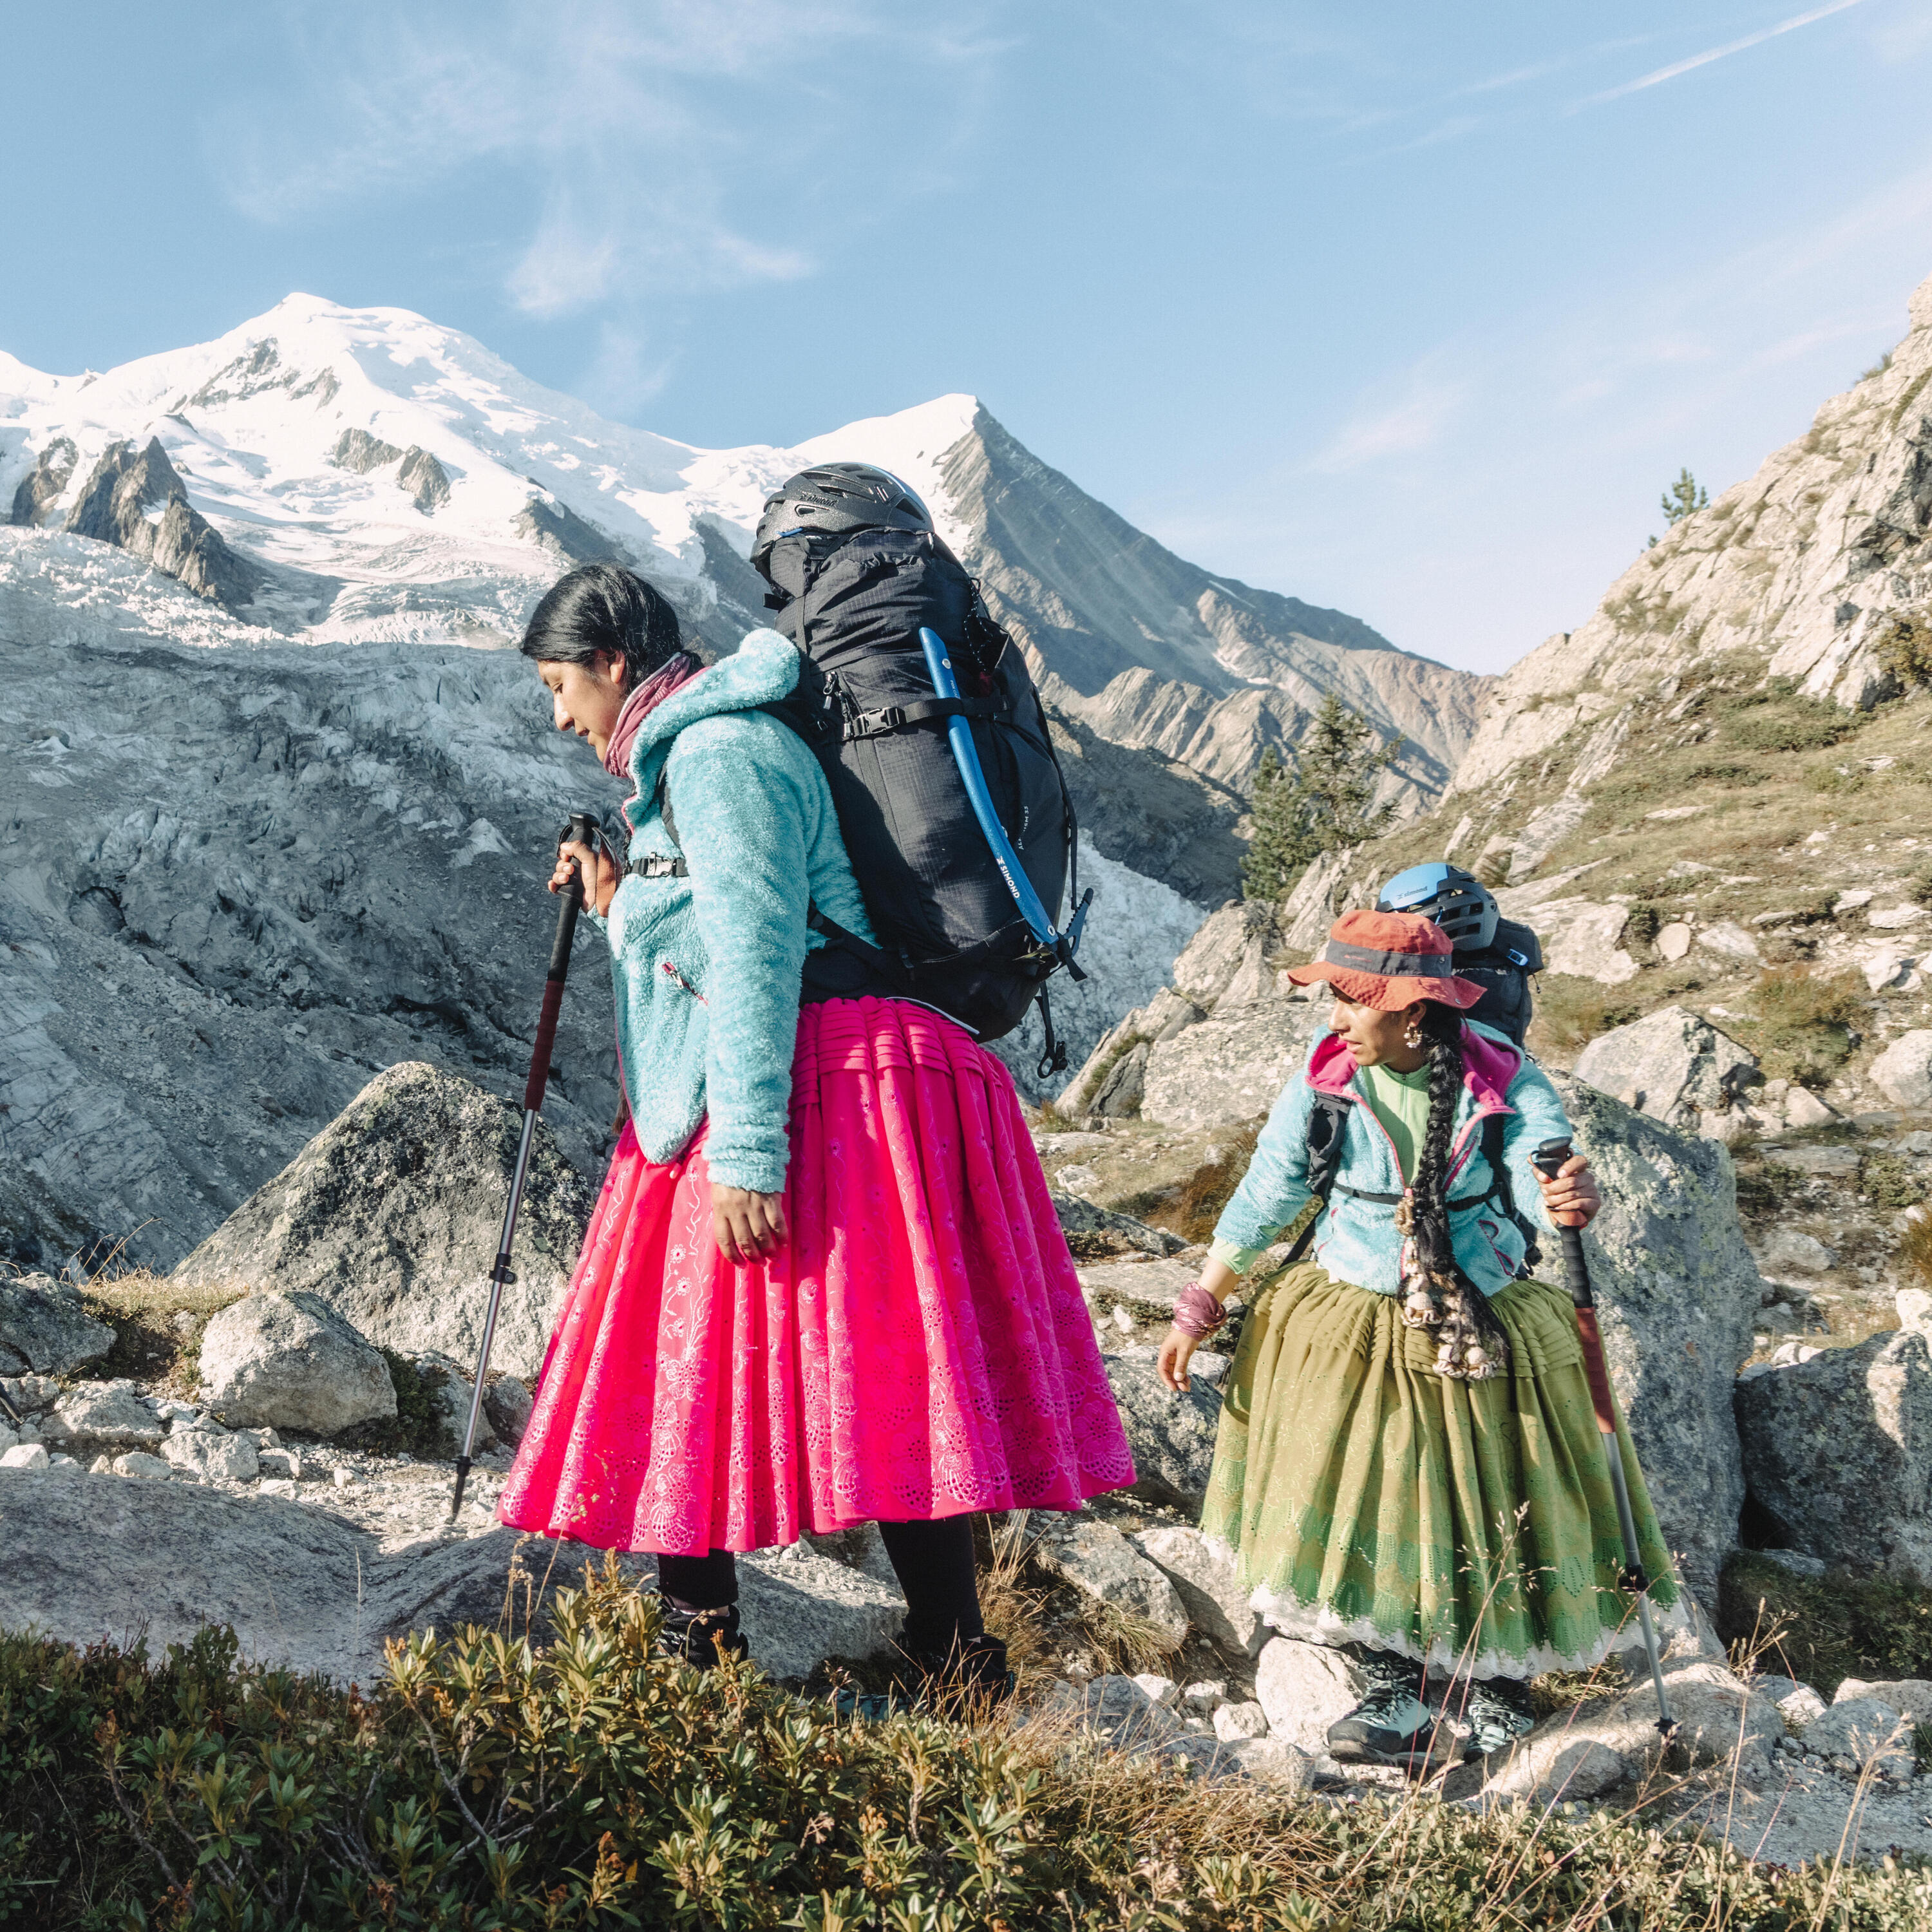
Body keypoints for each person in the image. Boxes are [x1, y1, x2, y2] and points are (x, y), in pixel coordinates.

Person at [496, 563, 1133, 1699]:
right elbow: (711, 936)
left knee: (680, 1357)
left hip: (820, 1076)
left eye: (559, 685)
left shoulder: (718, 754)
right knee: (866, 1359)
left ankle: (715, 1663)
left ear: (611, 663)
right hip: (832, 1066)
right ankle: (947, 1660)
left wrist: (745, 1152)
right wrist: (617, 902)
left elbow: (754, 950)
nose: (558, 715)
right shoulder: (704, 756)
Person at [1157, 909, 1678, 1768]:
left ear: (1410, 1012)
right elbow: (1267, 1196)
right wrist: (1199, 1306)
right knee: (1379, 1487)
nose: (1334, 1020)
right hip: (1358, 1303)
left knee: (1486, 1489)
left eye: (1349, 1002)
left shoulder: (1504, 1079)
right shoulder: (1323, 1081)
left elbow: (1537, 1167)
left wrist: (1566, 1192)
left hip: (1479, 1301)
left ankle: (1498, 1688)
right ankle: (1398, 1681)